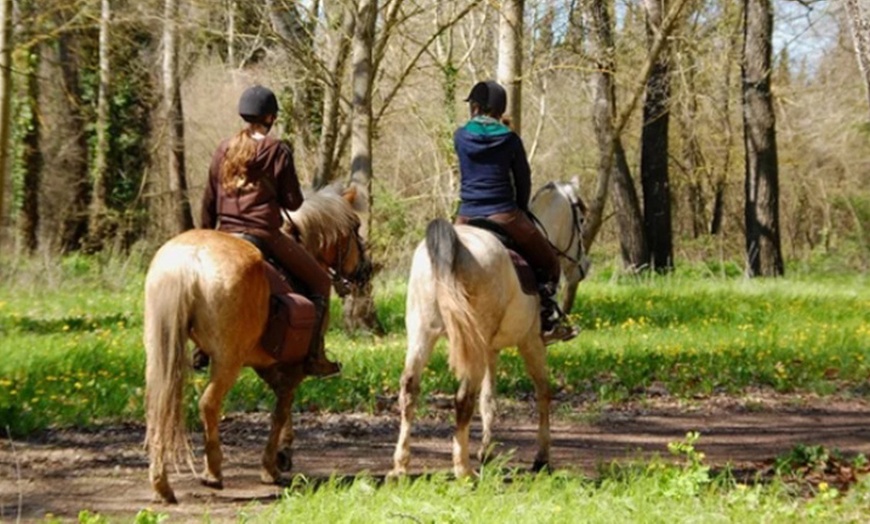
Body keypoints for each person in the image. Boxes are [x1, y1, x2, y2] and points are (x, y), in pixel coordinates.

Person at [200, 84, 341, 377]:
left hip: (224, 236)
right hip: (263, 235)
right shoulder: (276, 149)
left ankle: (202, 347)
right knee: (321, 283)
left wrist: (206, 237)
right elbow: (294, 201)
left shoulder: (223, 149)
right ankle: (315, 356)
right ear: (270, 117)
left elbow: (209, 201)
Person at [453, 80, 577, 345]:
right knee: (549, 262)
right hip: (503, 213)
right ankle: (546, 319)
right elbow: (523, 180)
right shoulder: (510, 139)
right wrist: (521, 209)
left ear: (476, 107)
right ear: (499, 110)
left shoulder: (460, 136)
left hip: (465, 215)